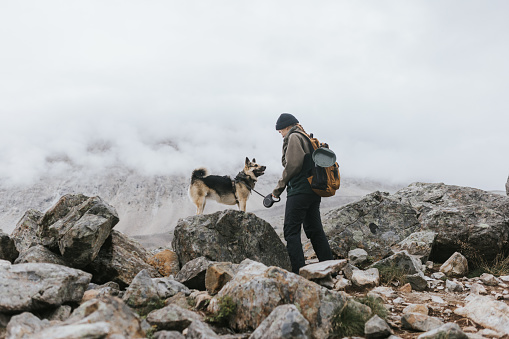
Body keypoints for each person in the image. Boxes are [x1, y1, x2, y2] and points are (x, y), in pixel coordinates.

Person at [272, 113, 333, 274]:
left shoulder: (294, 137)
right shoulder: (306, 137)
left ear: (287, 126)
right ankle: (330, 266)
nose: (281, 134)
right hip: (313, 190)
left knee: (291, 230)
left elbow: (293, 165)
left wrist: (277, 190)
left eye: (280, 131)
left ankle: (298, 271)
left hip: (299, 190)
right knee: (314, 229)